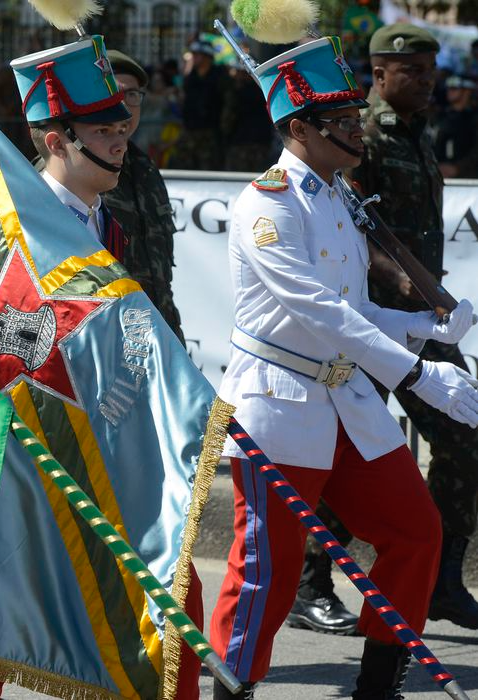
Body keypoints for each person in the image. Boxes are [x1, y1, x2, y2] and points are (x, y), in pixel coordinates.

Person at [210, 31, 478, 699]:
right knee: (267, 569)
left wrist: (421, 327)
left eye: (357, 118)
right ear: (299, 127)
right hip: (279, 402)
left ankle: (379, 682)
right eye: (342, 122)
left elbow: (352, 307)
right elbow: (316, 312)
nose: (358, 131)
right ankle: (232, 686)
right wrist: (418, 376)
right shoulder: (266, 204)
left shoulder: (335, 195)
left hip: (345, 400)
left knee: (416, 533)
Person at [0, 37, 204, 700]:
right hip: (25, 462)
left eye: (124, 125)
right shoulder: (17, 233)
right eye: (104, 129)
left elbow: (139, 323)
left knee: (176, 600)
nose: (123, 139)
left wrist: (138, 381)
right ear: (57, 139)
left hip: (108, 449)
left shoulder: (106, 225)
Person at [354, 23, 478, 631]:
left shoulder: (418, 134)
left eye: (431, 70)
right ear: (379, 74)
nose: (428, 81)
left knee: (466, 428)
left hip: (425, 321)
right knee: (345, 446)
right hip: (368, 323)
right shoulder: (362, 135)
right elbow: (356, 229)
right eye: (413, 71)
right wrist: (405, 282)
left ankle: (440, 581)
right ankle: (310, 584)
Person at [102, 49, 187, 343]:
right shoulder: (70, 172)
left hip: (160, 337)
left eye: (133, 96)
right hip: (108, 342)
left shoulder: (144, 168)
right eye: (115, 92)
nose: (125, 106)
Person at [168, 40, 227, 170]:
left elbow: (228, 106)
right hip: (190, 130)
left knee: (209, 169)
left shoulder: (220, 77)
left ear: (207, 57)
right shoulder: (190, 78)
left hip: (210, 133)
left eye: (197, 54)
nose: (193, 57)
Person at [434, 75, 478, 179]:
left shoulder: (474, 118)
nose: (449, 91)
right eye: (448, 88)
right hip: (439, 174)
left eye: (454, 88)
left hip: (468, 179)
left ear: (467, 91)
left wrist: (458, 168)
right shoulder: (440, 116)